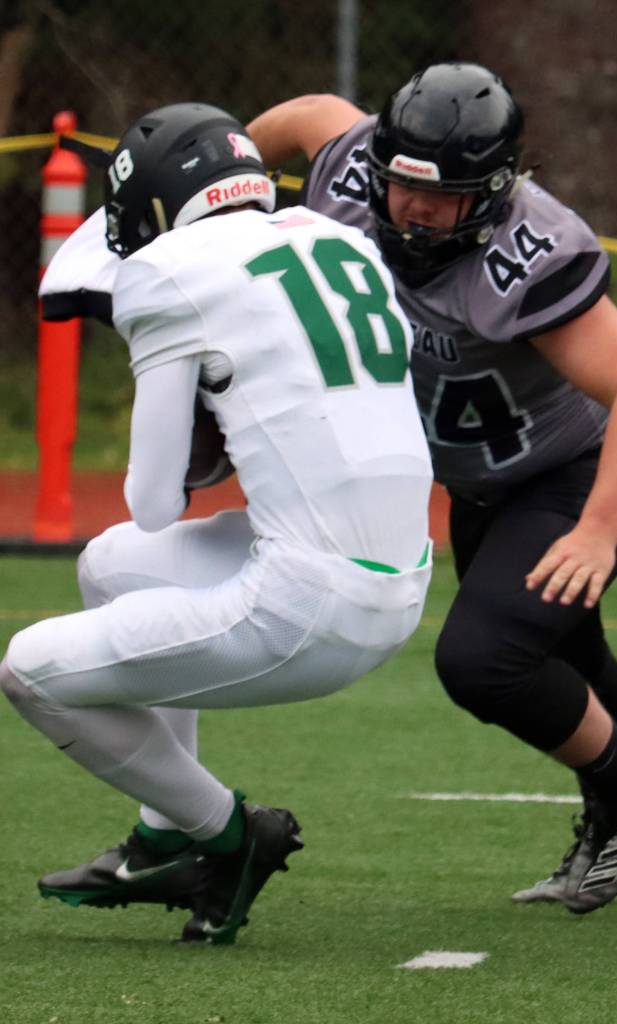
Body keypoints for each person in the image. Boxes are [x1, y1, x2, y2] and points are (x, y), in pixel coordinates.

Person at [244, 61, 617, 913]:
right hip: (479, 483)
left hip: (564, 476)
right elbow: (305, 115)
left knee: (484, 659)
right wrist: (229, 185)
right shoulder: (357, 168)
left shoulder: (530, 254)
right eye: (403, 183)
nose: (413, 208)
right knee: (562, 651)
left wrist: (593, 532)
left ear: (494, 189)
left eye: (441, 196)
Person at [0, 102, 434, 945]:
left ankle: (228, 833)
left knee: (26, 670)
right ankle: (163, 835)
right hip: (403, 579)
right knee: (113, 565)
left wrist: (202, 419)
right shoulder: (336, 237)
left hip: (309, 605)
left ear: (160, 209)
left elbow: (156, 498)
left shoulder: (167, 270)